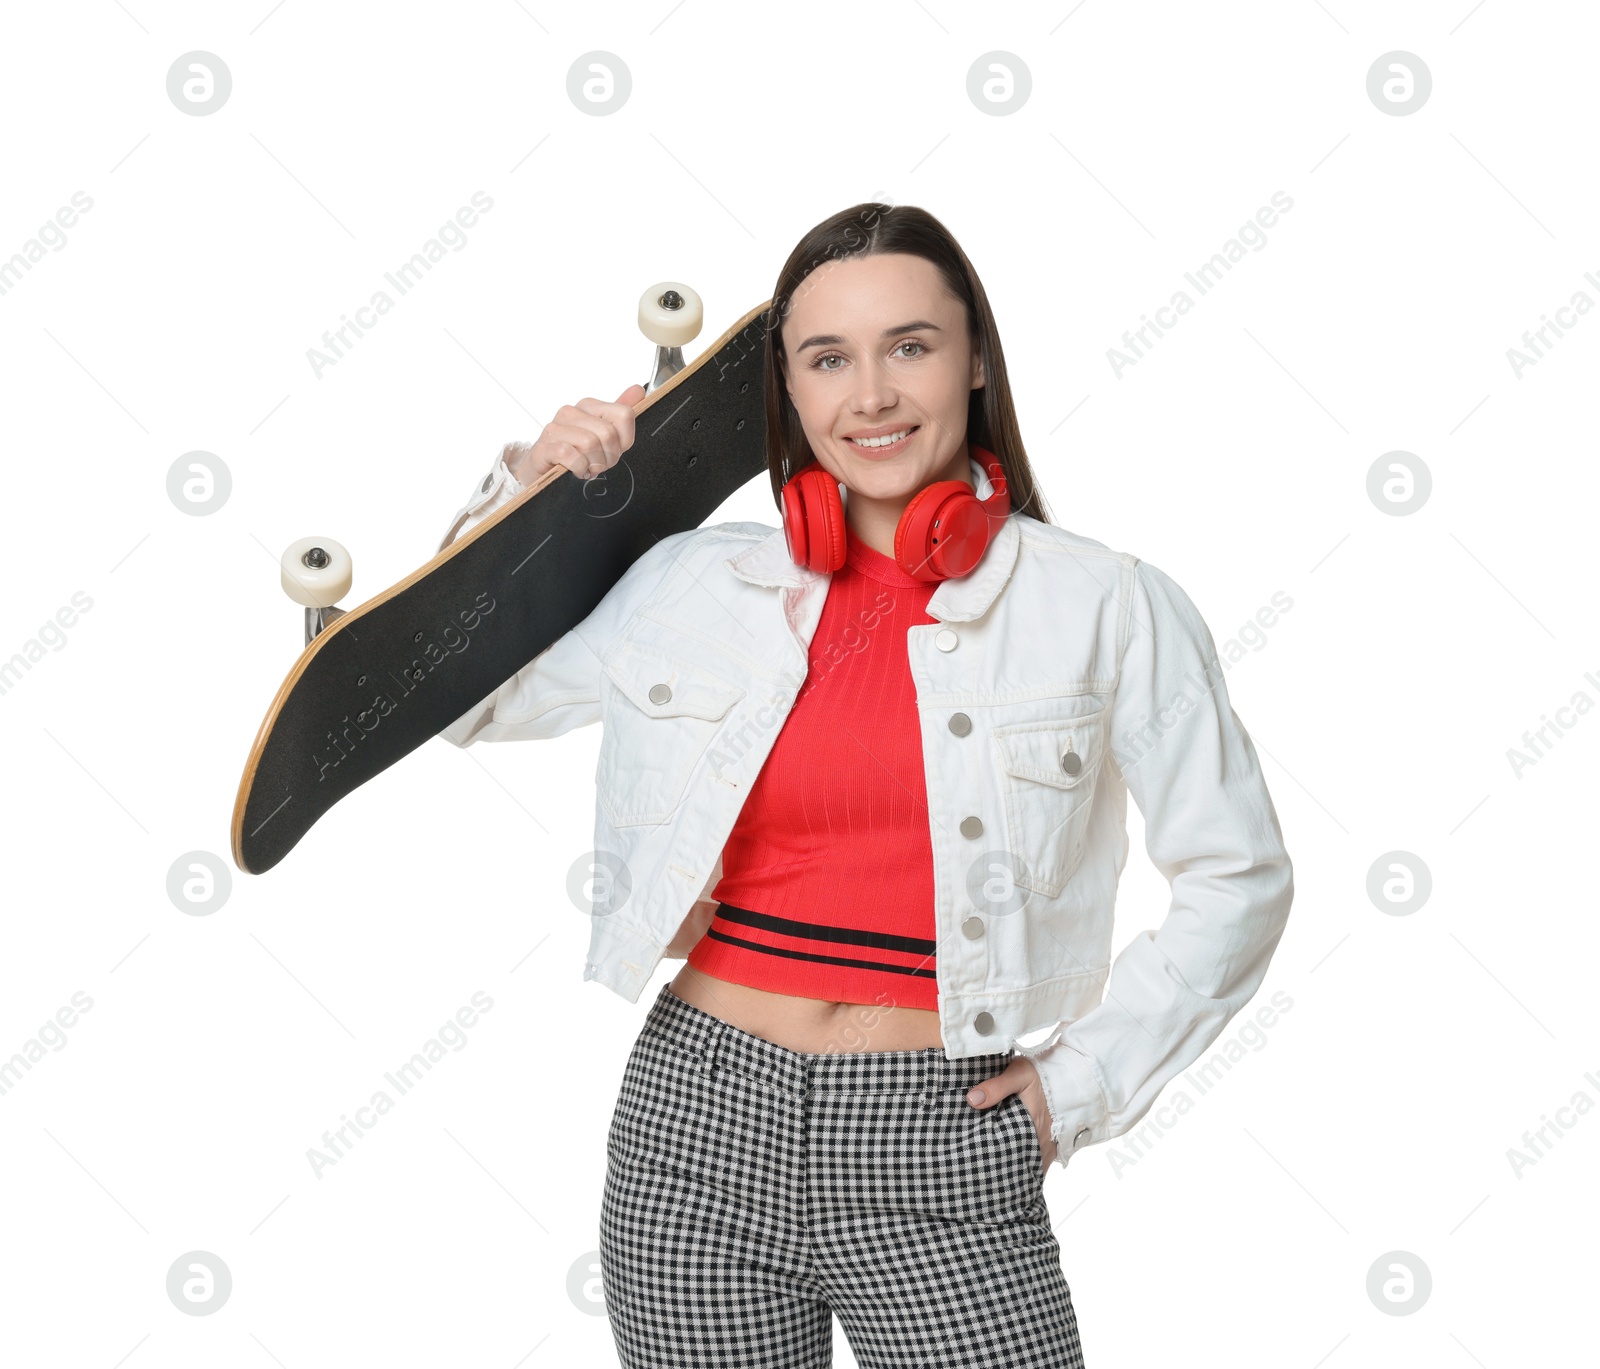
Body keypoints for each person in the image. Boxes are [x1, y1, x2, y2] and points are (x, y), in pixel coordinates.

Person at [437, 203, 1294, 1368]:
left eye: (910, 346)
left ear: (975, 357)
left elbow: (1236, 877)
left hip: (942, 1127)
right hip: (696, 1119)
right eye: (827, 359)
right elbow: (474, 700)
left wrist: (1076, 1085)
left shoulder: (1106, 604)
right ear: (787, 390)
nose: (871, 395)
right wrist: (525, 499)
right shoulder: (696, 584)